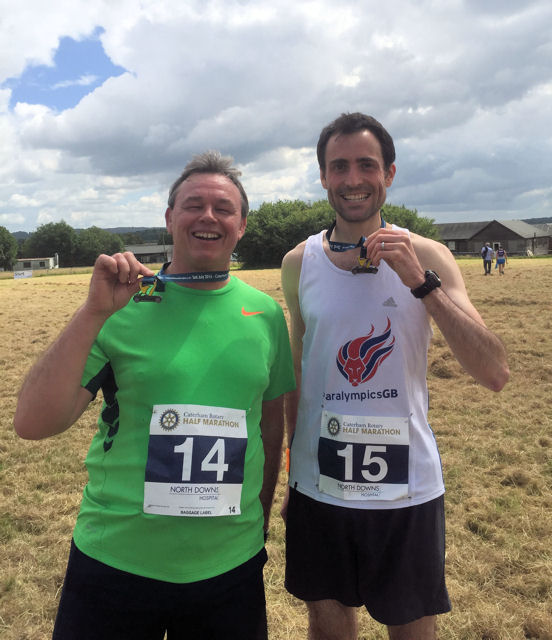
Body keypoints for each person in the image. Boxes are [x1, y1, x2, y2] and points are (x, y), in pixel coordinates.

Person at [14, 151, 295, 640]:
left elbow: (270, 429)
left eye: (223, 208)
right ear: (169, 219)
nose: (208, 216)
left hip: (229, 568)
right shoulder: (120, 306)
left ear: (242, 225)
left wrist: (261, 521)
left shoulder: (265, 314)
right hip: (116, 561)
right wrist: (92, 314)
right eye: (193, 204)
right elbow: (32, 423)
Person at [280, 113, 509, 640]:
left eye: (367, 165)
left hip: (406, 490)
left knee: (411, 628)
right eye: (339, 166)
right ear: (322, 176)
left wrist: (421, 284)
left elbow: (494, 371)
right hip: (322, 485)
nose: (353, 178)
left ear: (390, 173)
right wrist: (294, 471)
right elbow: (299, 371)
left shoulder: (429, 254)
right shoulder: (299, 263)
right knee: (327, 621)